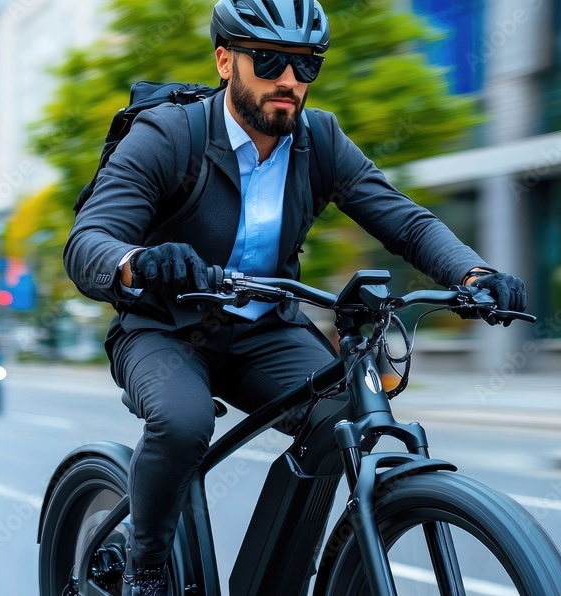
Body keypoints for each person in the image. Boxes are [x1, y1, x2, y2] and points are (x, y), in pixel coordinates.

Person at [63, 1, 527, 593]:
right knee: (181, 423)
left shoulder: (319, 140)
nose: (289, 80)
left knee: (340, 417)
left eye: (306, 66)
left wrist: (472, 275)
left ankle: (276, 576)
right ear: (225, 60)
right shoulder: (168, 135)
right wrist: (139, 263)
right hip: (165, 328)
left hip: (263, 331)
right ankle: (146, 567)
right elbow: (88, 244)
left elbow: (406, 223)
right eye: (270, 61)